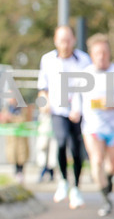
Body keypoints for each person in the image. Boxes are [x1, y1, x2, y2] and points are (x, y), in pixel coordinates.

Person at [37, 25, 91, 209]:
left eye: (68, 40)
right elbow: (42, 87)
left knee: (76, 149)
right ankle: (63, 181)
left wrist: (80, 108)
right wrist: (44, 101)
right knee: (60, 143)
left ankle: (76, 186)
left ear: (74, 40)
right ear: (55, 41)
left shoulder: (84, 60)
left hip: (78, 111)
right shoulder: (47, 60)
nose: (65, 44)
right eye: (61, 40)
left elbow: (88, 87)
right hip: (57, 109)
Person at [79, 33, 114, 217]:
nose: (101, 56)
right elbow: (76, 99)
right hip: (93, 126)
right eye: (97, 53)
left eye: (104, 52)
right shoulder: (85, 75)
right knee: (97, 160)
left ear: (109, 53)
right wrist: (75, 111)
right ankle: (105, 199)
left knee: (112, 165)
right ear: (92, 54)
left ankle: (108, 180)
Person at [0, 97, 33, 184]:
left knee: (22, 157)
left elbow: (24, 121)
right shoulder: (7, 109)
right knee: (13, 156)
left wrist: (11, 118)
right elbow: (3, 122)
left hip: (21, 139)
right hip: (11, 138)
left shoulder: (23, 109)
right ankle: (16, 173)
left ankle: (21, 173)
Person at [34, 108, 57, 182]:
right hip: (45, 128)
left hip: (53, 126)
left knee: (52, 151)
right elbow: (44, 109)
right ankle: (43, 172)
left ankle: (51, 173)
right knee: (43, 150)